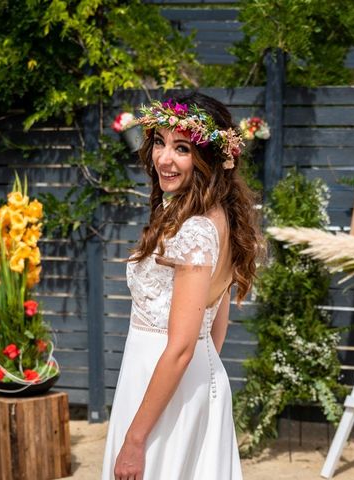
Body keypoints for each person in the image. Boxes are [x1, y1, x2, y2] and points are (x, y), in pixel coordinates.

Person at [101, 92, 263, 480]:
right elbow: (214, 320)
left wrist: (136, 439)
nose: (164, 159)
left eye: (182, 148)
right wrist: (200, 378)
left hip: (165, 379)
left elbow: (181, 346)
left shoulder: (195, 229)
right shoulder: (215, 215)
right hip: (178, 381)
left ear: (208, 159)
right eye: (159, 142)